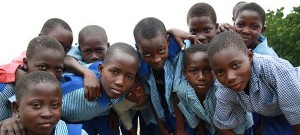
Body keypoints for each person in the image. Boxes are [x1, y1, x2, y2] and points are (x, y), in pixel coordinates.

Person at [208, 31, 300, 135]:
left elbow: (297, 114)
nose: (230, 77)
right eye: (220, 72)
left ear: (250, 56)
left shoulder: (274, 69)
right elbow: (221, 123)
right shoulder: (224, 89)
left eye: (235, 65)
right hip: (274, 113)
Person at [61, 42, 139, 135]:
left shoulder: (116, 89)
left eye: (129, 77)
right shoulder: (76, 93)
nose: (120, 82)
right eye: (114, 72)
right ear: (101, 70)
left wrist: (112, 111)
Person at [175, 44, 253, 135]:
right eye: (193, 71)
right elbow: (196, 118)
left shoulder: (223, 89)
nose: (201, 77)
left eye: (208, 69)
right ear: (184, 73)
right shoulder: (182, 92)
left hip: (240, 129)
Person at [134, 17, 194, 135]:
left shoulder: (177, 56)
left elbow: (177, 93)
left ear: (168, 42)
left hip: (184, 115)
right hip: (162, 115)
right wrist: (161, 126)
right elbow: (152, 96)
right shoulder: (140, 65)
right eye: (147, 54)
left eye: (161, 51)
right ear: (138, 49)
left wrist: (180, 129)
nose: (156, 59)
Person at [0, 35, 65, 121]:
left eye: (58, 69)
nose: (51, 75)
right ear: (26, 63)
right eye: (43, 67)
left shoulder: (62, 89)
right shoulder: (4, 92)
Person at [8, 71, 87, 135]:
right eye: (36, 105)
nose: (47, 114)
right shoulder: (5, 131)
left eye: (54, 105)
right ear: (16, 108)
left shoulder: (77, 133)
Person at [0, 18, 73, 83]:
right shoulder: (26, 60)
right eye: (58, 43)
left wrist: (84, 72)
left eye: (66, 48)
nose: (61, 50)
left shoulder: (62, 61)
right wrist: (17, 74)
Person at [64, 25, 110, 101]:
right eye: (87, 51)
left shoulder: (112, 59)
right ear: (79, 49)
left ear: (108, 46)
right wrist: (88, 73)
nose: (94, 56)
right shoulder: (77, 59)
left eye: (99, 50)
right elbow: (67, 60)